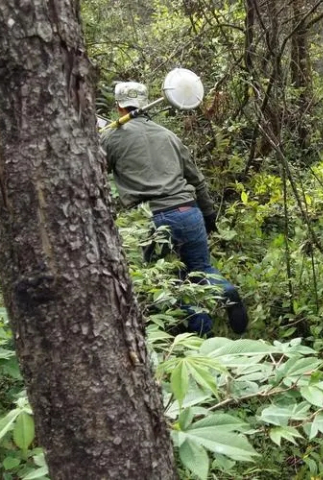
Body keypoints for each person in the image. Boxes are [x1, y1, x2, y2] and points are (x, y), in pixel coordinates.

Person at [101, 81, 248, 336]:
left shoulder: (110, 138)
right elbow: (197, 179)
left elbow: (94, 172)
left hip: (153, 218)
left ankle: (202, 336)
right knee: (201, 269)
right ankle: (225, 290)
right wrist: (209, 214)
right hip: (188, 211)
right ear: (145, 104)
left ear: (118, 106)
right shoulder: (168, 135)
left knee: (173, 282)